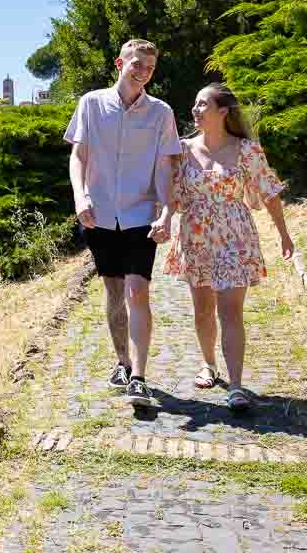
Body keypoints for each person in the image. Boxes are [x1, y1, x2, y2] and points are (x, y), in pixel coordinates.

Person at [165, 84, 294, 412]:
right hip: (195, 238)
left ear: (223, 111)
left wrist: (283, 234)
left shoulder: (247, 149)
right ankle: (209, 364)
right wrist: (163, 220)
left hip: (235, 237)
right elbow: (172, 194)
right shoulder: (182, 149)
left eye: (202, 104)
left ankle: (236, 386)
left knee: (230, 311)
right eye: (194, 104)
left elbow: (269, 191)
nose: (195, 110)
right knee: (203, 309)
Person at [65, 39, 180, 408]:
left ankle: (140, 377)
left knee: (137, 292)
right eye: (137, 64)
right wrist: (80, 197)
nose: (143, 71)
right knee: (114, 293)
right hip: (98, 214)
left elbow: (167, 167)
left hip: (140, 216)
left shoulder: (161, 113)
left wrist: (166, 213)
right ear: (119, 63)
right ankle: (122, 362)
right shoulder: (91, 103)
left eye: (149, 67)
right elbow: (78, 156)